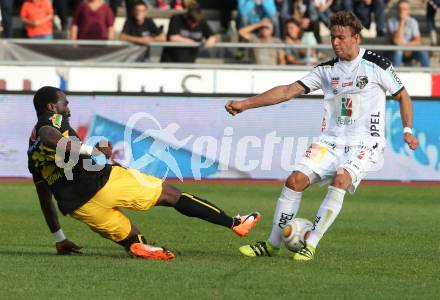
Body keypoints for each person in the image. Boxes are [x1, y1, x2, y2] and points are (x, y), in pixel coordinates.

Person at [225, 11, 419, 261]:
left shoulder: (377, 65)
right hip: (330, 141)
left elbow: (403, 95)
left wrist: (407, 130)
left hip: (365, 143)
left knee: (340, 180)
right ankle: (272, 244)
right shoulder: (327, 70)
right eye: (333, 38)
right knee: (294, 181)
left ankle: (311, 243)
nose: (336, 42)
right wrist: (246, 104)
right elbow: (286, 91)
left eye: (341, 37)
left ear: (356, 38)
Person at [28, 86, 260, 259]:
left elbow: (45, 200)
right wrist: (93, 150)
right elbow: (49, 135)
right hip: (104, 182)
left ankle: (141, 247)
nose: (68, 110)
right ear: (51, 107)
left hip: (80, 207)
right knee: (172, 195)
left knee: (133, 238)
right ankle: (235, 223)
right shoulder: (51, 119)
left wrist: (59, 239)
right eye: (64, 103)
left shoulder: (32, 157)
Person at [387, 0, 430, 67]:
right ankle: (394, 76)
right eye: (400, 9)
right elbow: (396, 41)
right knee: (399, 51)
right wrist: (402, 21)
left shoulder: (413, 21)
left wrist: (407, 46)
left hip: (409, 51)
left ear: (408, 11)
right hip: (394, 52)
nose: (402, 11)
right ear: (397, 10)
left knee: (423, 51)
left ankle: (428, 73)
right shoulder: (391, 22)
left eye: (405, 9)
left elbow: (418, 40)